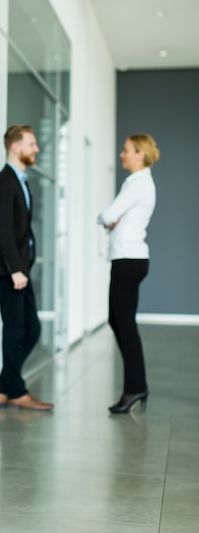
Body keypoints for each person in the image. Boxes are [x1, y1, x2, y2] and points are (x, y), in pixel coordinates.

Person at [0, 125, 53, 412]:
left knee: (32, 329)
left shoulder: (20, 181)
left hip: (19, 269)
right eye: (32, 143)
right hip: (8, 271)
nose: (36, 148)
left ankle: (3, 389)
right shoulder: (4, 182)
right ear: (16, 147)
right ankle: (16, 392)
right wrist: (15, 269)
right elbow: (2, 230)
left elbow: (21, 229)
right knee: (16, 331)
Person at [98, 133, 159, 414]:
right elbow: (113, 217)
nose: (121, 154)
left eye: (126, 150)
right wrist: (112, 219)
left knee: (124, 323)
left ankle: (135, 388)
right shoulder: (139, 182)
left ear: (140, 154)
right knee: (119, 321)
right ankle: (137, 384)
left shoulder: (138, 183)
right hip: (129, 259)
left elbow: (108, 215)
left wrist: (108, 219)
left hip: (128, 259)